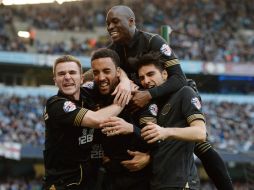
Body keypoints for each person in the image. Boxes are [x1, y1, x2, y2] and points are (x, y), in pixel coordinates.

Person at [106, 5, 233, 190]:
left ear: (131, 21)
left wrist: (149, 94)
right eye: (107, 23)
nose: (110, 27)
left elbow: (179, 78)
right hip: (147, 104)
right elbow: (98, 70)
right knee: (149, 139)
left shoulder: (153, 41)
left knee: (201, 146)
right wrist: (124, 79)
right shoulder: (114, 50)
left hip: (170, 97)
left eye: (115, 21)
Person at [43, 55, 126, 190]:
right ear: (55, 81)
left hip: (90, 181)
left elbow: (110, 75)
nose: (67, 77)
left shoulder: (88, 94)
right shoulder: (56, 105)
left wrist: (125, 81)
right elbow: (97, 120)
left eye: (72, 72)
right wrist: (123, 98)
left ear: (82, 78)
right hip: (63, 183)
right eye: (61, 74)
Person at [136, 52, 207, 189]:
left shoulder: (184, 93)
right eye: (142, 78)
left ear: (164, 74)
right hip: (157, 183)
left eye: (150, 74)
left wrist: (165, 132)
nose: (146, 81)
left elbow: (200, 132)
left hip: (181, 183)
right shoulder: (151, 104)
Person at [87, 48, 154, 190]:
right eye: (96, 72)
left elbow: (158, 137)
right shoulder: (89, 94)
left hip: (139, 179)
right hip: (107, 178)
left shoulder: (137, 96)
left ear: (118, 71)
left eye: (106, 71)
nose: (101, 77)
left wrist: (149, 156)